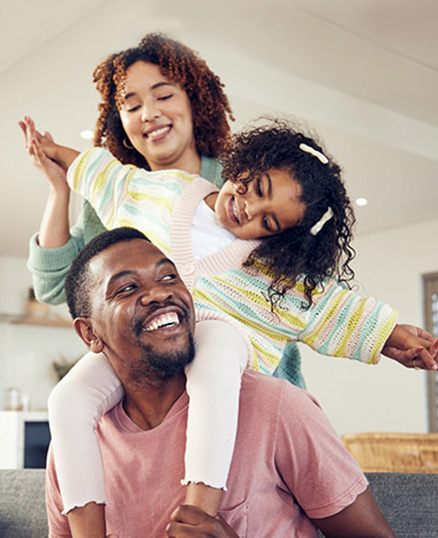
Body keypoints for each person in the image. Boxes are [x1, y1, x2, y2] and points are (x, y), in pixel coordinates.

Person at [22, 33, 241, 535]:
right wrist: (61, 189)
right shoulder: (114, 194)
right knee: (67, 400)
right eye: (132, 103)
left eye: (163, 94)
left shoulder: (231, 187)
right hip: (150, 389)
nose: (149, 113)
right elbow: (54, 286)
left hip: (230, 361)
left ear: (194, 101)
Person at [46, 226, 396, 538]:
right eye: (127, 288)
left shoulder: (277, 409)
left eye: (169, 277)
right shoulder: (76, 445)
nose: (159, 293)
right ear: (89, 333)